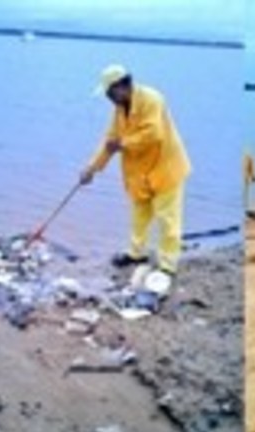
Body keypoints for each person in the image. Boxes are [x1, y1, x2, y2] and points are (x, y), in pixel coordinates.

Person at [80, 64, 191, 275]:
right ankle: (136, 253)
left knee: (167, 218)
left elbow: (154, 133)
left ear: (122, 86)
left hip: (164, 166)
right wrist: (92, 168)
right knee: (139, 213)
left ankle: (168, 265)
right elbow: (110, 139)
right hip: (140, 172)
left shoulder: (152, 99)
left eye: (109, 93)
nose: (108, 98)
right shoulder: (120, 109)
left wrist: (123, 144)